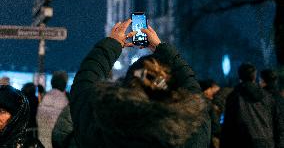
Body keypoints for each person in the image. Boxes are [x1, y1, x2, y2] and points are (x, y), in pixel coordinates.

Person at [70, 19, 210, 148]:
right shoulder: (192, 131)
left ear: (126, 86)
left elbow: (85, 81)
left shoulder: (103, 131)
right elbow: (192, 88)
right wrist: (161, 48)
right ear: (170, 89)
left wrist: (112, 44)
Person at [220, 63, 278, 148]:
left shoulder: (234, 96)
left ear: (239, 76)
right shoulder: (267, 96)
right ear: (254, 77)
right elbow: (275, 119)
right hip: (267, 141)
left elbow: (229, 125)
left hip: (244, 141)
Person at [37, 71, 69, 148]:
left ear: (52, 83)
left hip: (42, 141)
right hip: (58, 143)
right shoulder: (66, 101)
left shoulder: (44, 98)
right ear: (64, 85)